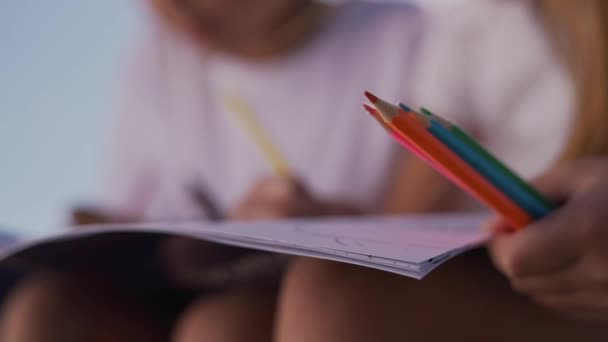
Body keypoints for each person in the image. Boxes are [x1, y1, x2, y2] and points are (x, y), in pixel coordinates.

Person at [0, 0, 425, 341]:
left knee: (227, 325)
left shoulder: (404, 40)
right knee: (48, 306)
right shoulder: (159, 59)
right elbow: (135, 210)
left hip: (318, 293)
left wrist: (336, 224)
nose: (171, 7)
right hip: (179, 293)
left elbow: (431, 230)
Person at [273, 0, 608, 341]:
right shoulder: (467, 24)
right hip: (512, 260)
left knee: (333, 290)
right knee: (239, 312)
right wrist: (338, 229)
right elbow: (405, 219)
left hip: (563, 279)